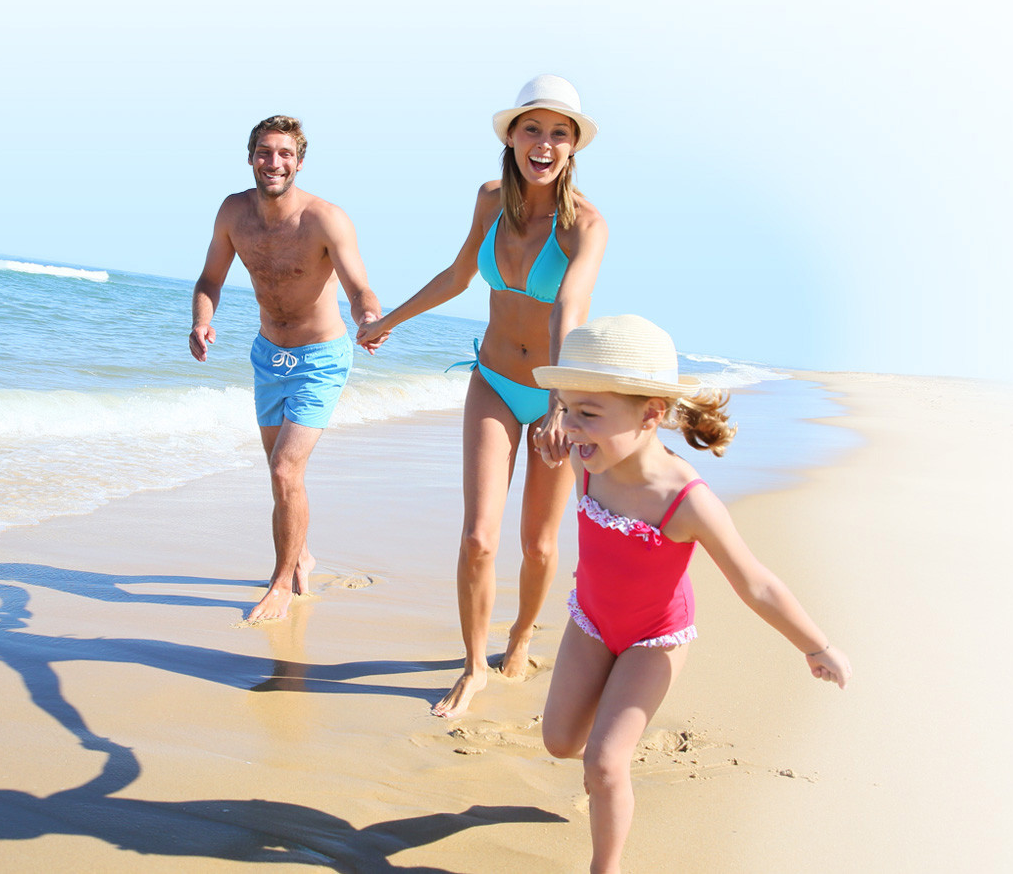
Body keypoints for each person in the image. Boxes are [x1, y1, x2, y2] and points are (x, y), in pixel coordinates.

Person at [531, 314, 851, 874]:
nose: (572, 426)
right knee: (560, 742)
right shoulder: (586, 457)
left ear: (651, 414)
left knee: (604, 765)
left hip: (655, 639)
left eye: (588, 412)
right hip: (592, 621)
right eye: (564, 406)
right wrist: (553, 436)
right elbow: (560, 438)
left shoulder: (687, 501)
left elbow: (756, 582)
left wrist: (817, 645)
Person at [355, 75, 607, 717]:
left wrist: (559, 403)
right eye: (533, 129)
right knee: (477, 538)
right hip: (493, 380)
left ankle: (521, 635)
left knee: (541, 546)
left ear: (574, 146)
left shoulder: (587, 226)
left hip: (556, 394)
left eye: (559, 133)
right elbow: (460, 273)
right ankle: (473, 666)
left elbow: (569, 311)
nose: (544, 144)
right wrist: (389, 321)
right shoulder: (491, 199)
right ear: (512, 137)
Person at [191, 115, 382, 623]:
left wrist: (369, 316)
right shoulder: (234, 213)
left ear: (298, 161)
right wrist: (202, 322)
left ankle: (282, 583)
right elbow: (210, 278)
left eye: (283, 154)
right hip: (266, 356)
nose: (272, 162)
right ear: (251, 156)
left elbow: (358, 285)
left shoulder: (325, 219)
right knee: (281, 475)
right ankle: (300, 554)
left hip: (320, 358)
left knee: (284, 468)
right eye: (263, 151)